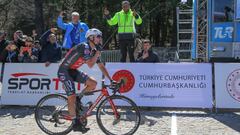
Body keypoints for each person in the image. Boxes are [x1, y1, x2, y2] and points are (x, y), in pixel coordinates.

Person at [58, 28, 113, 133]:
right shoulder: (85, 47)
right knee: (71, 96)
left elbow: (101, 66)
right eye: (98, 37)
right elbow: (90, 65)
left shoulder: (93, 50)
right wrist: (97, 54)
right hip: (64, 71)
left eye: (100, 37)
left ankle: (79, 97)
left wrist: (111, 79)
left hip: (73, 70)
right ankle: (75, 122)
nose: (100, 39)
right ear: (91, 38)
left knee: (93, 83)